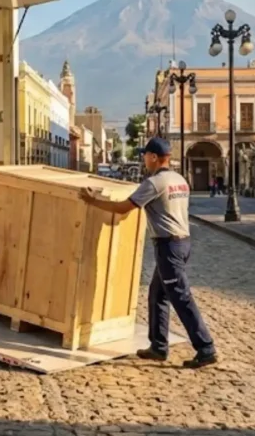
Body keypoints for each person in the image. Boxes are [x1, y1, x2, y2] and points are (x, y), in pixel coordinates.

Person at [79, 137, 218, 369]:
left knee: (181, 297)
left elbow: (124, 208)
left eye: (145, 155)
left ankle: (206, 348)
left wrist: (92, 200)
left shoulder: (154, 183)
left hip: (168, 246)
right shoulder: (179, 179)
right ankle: (158, 346)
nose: (143, 159)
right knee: (157, 294)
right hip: (182, 243)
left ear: (154, 157)